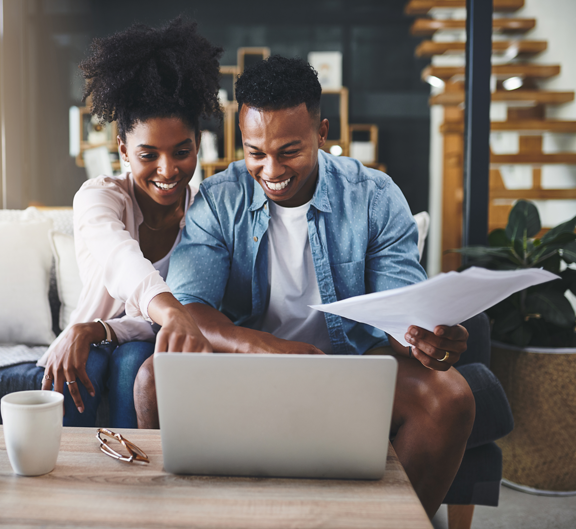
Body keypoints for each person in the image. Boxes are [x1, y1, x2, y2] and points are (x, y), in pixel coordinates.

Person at [134, 56, 475, 518]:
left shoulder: (373, 196)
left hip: (349, 368)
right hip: (245, 367)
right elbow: (190, 306)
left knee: (449, 396)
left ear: (322, 133)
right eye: (255, 152)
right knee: (154, 377)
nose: (270, 169)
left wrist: (425, 338)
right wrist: (269, 349)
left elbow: (400, 310)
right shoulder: (219, 199)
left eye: (289, 151)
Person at [39, 18, 220, 428]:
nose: (168, 170)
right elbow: (123, 263)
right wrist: (171, 314)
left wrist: (100, 329)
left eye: (182, 152)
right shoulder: (98, 198)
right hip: (110, 339)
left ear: (198, 146)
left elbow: (194, 308)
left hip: (148, 343)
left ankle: (139, 480)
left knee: (135, 363)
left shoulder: (205, 214)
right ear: (123, 149)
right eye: (148, 154)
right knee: (82, 364)